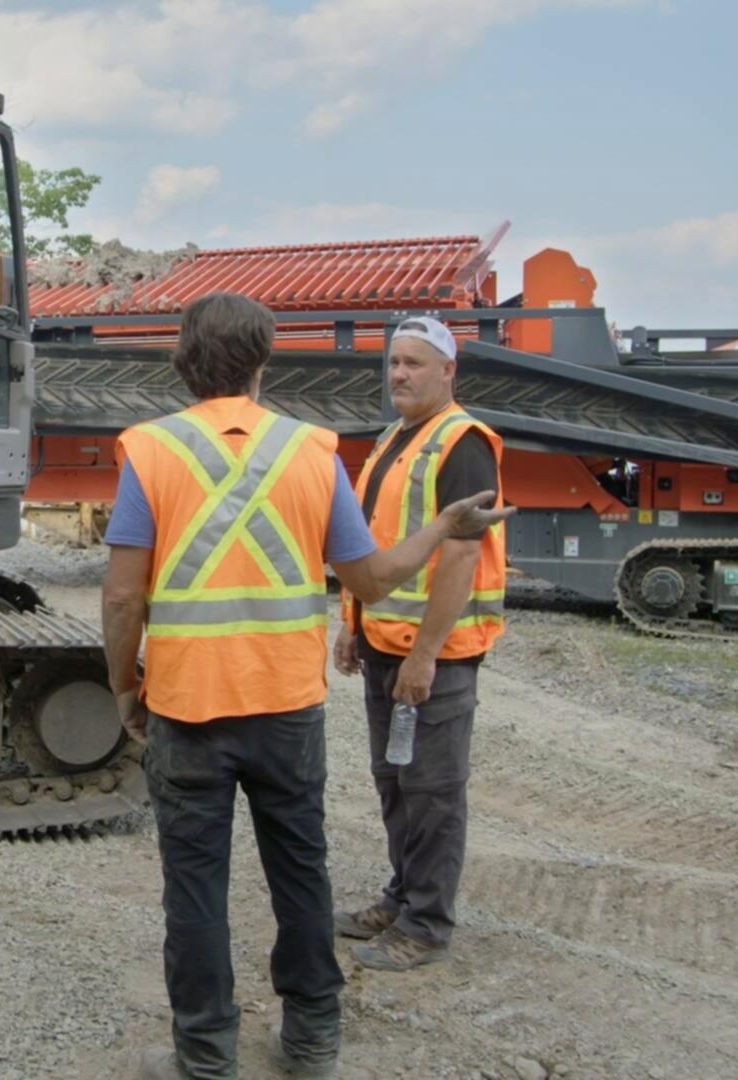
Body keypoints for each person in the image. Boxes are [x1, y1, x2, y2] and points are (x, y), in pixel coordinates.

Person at [101, 294, 513, 1080]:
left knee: (194, 888)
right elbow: (375, 579)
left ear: (185, 358)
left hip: (187, 708)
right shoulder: (311, 451)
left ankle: (207, 1054)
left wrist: (124, 688)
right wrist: (441, 529)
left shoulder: (149, 452)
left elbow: (123, 598)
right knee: (301, 874)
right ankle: (313, 1039)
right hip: (286, 707)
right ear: (263, 362)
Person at [332, 315, 506, 973]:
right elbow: (378, 545)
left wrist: (426, 654)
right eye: (394, 362)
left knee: (431, 790)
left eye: (414, 363)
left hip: (433, 657)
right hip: (385, 644)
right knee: (395, 782)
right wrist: (354, 620)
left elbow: (459, 558)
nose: (399, 373)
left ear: (447, 371)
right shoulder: (399, 438)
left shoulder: (461, 443)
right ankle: (401, 897)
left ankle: (426, 925)